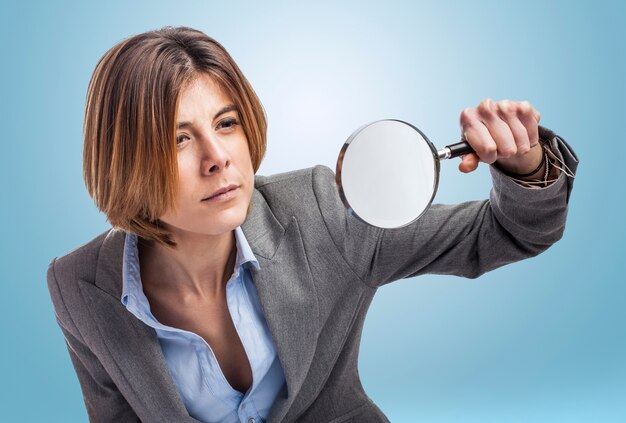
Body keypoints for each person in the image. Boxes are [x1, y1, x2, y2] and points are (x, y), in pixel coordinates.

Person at [46, 26, 578, 423]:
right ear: (123, 159)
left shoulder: (323, 215)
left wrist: (524, 166)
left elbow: (510, 233)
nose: (218, 158)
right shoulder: (78, 287)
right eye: (177, 138)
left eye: (226, 124)